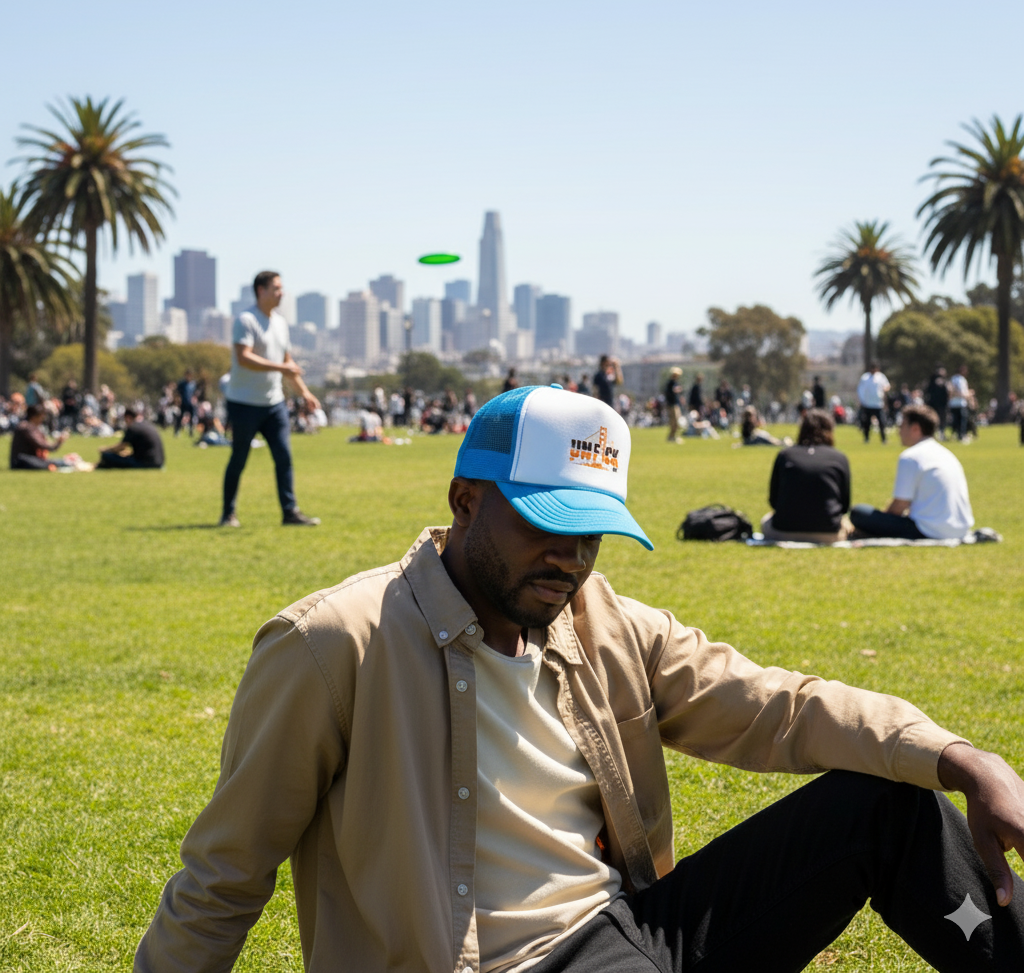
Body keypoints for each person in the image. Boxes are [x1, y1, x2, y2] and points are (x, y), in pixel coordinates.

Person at [135, 385, 1024, 973]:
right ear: (465, 502)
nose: (570, 559)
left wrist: (958, 755)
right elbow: (225, 875)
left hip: (628, 940)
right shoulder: (334, 644)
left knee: (888, 802)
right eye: (545, 525)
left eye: (591, 531)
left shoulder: (599, 621)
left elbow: (774, 708)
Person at [220, 271, 321, 528]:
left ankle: (290, 512)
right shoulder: (246, 320)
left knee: (284, 456)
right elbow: (244, 357)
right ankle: (228, 514)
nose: (282, 292)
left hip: (273, 403)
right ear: (260, 290)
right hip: (243, 402)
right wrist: (281, 368)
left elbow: (288, 364)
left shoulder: (280, 323)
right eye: (276, 288)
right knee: (239, 458)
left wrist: (305, 393)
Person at [850, 404, 974, 540]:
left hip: (929, 530)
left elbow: (899, 507)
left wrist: (882, 520)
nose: (899, 431)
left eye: (902, 426)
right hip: (960, 528)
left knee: (859, 512)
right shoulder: (947, 455)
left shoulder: (910, 456)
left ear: (915, 428)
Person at [761, 409, 851, 543]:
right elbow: (844, 505)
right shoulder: (839, 457)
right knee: (847, 524)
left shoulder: (785, 455)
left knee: (765, 521)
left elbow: (774, 500)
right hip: (828, 532)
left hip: (784, 531)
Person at [96, 407, 165, 469]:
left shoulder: (133, 427)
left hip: (145, 463)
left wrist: (106, 450)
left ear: (128, 417)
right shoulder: (147, 425)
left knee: (106, 456)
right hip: (159, 463)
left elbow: (121, 447)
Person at [9, 403, 70, 469]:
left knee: (52, 463)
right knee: (49, 464)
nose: (42, 419)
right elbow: (42, 445)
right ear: (34, 417)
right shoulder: (25, 427)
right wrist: (58, 442)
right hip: (21, 460)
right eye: (41, 416)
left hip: (30, 458)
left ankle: (68, 462)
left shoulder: (31, 427)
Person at [857, 361, 890, 444]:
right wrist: (862, 400)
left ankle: (883, 439)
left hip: (878, 404)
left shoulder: (881, 377)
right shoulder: (865, 377)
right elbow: (860, 390)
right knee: (867, 423)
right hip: (867, 404)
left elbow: (887, 386)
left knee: (881, 422)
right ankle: (866, 438)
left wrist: (885, 389)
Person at [925, 366, 950, 439]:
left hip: (941, 404)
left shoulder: (944, 381)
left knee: (941, 419)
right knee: (936, 419)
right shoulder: (933, 380)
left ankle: (940, 433)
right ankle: (936, 433)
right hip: (935, 404)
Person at [948, 365, 971, 442]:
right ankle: (962, 436)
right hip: (960, 403)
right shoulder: (961, 379)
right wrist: (969, 395)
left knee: (956, 421)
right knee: (962, 421)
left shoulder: (952, 378)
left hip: (953, 403)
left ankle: (957, 435)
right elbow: (961, 392)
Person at [664, 367, 683, 442]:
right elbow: (669, 393)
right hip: (672, 405)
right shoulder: (670, 383)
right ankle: (672, 436)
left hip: (675, 404)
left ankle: (673, 436)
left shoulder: (675, 383)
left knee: (678, 421)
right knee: (674, 421)